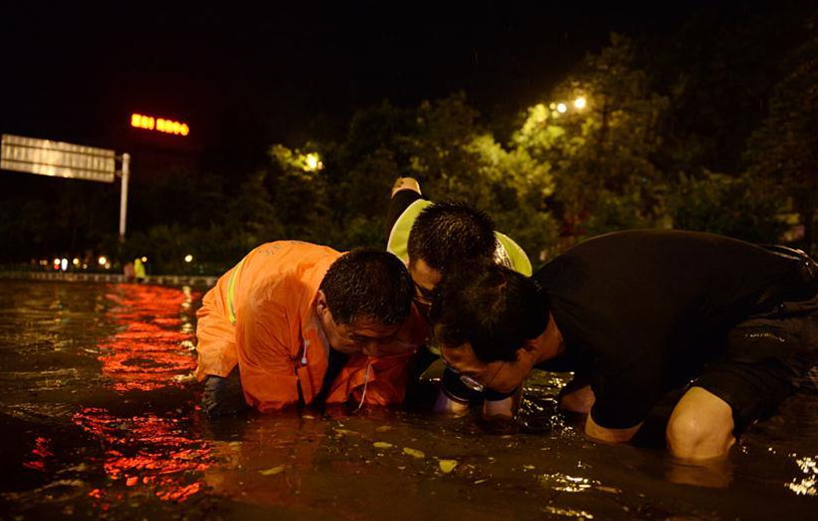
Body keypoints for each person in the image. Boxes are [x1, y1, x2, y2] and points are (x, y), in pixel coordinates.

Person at [431, 229, 818, 461]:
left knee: (692, 432)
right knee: (576, 405)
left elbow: (601, 460)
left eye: (474, 373)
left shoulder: (618, 340)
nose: (471, 382)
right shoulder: (520, 310)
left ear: (525, 349)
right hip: (690, 319)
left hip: (782, 303)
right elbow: (500, 400)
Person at [195, 241, 424, 416]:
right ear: (323, 305)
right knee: (224, 393)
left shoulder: (398, 309)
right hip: (236, 318)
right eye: (360, 339)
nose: (373, 351)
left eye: (384, 339)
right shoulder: (267, 304)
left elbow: (382, 399)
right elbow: (274, 408)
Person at [385, 177, 532, 421]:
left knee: (495, 412)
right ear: (409, 262)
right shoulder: (400, 234)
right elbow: (405, 185)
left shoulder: (514, 282)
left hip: (479, 322)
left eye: (446, 297)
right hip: (419, 324)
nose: (437, 308)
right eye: (427, 293)